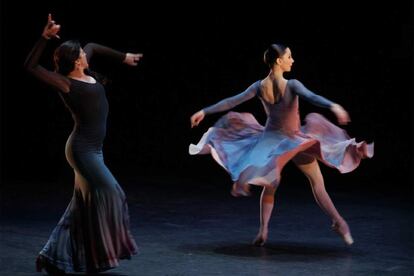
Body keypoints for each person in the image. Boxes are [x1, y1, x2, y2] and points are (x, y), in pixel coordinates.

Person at [189, 43, 374, 247]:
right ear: (279, 61)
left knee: (271, 184)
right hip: (293, 140)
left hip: (271, 141)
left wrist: (204, 111)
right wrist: (334, 106)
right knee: (316, 184)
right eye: (289, 57)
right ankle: (339, 222)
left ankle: (263, 230)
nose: (292, 60)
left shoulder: (259, 86)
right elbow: (313, 97)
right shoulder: (292, 85)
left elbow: (231, 101)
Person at [24, 14, 143, 274]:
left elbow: (95, 46)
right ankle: (107, 251)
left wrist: (124, 57)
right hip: (82, 151)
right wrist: (44, 38)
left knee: (79, 209)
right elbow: (31, 67)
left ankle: (51, 256)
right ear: (77, 60)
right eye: (81, 53)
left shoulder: (85, 69)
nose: (86, 53)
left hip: (93, 151)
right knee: (114, 193)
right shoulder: (66, 83)